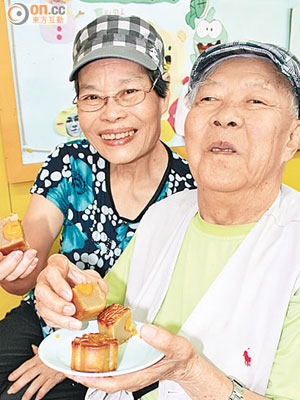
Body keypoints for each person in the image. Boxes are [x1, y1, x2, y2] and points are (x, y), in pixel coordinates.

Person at [35, 41, 300, 400]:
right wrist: (68, 291)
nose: (226, 116)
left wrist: (189, 371)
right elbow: (105, 307)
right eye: (208, 99)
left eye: (256, 101)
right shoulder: (167, 213)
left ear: (292, 137)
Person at [0, 15, 196, 400]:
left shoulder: (189, 188)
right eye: (92, 96)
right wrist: (12, 267)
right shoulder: (69, 162)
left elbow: (175, 311)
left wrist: (68, 354)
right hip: (49, 319)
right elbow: (25, 273)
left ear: (163, 95)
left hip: (136, 340)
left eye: (129, 92)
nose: (111, 113)